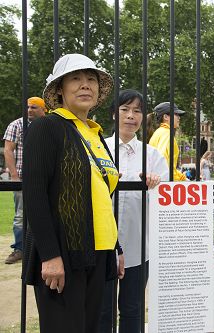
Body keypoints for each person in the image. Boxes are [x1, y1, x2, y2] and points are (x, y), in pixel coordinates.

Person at [22, 53, 124, 333]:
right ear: (59, 89)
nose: (85, 85)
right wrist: (50, 256)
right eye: (76, 79)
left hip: (99, 251)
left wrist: (117, 248)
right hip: (63, 253)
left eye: (91, 80)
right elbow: (34, 195)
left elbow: (102, 196)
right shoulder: (47, 127)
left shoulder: (94, 133)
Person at [99, 89, 168, 333]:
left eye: (137, 111)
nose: (131, 116)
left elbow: (165, 201)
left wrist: (154, 184)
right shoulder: (99, 149)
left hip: (139, 247)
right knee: (102, 311)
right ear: (113, 114)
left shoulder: (153, 156)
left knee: (133, 310)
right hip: (102, 247)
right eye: (125, 109)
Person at [3, 96, 46, 264]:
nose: (29, 110)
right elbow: (8, 150)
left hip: (44, 178)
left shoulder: (49, 125)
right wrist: (14, 177)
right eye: (28, 107)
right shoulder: (17, 125)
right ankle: (20, 249)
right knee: (21, 215)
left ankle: (41, 248)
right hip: (23, 177)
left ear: (43, 109)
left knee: (45, 213)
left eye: (34, 107)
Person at [148, 101, 187, 181]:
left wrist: (181, 176)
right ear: (165, 117)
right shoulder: (167, 134)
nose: (179, 117)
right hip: (167, 183)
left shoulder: (158, 132)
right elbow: (163, 162)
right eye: (176, 114)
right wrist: (180, 179)